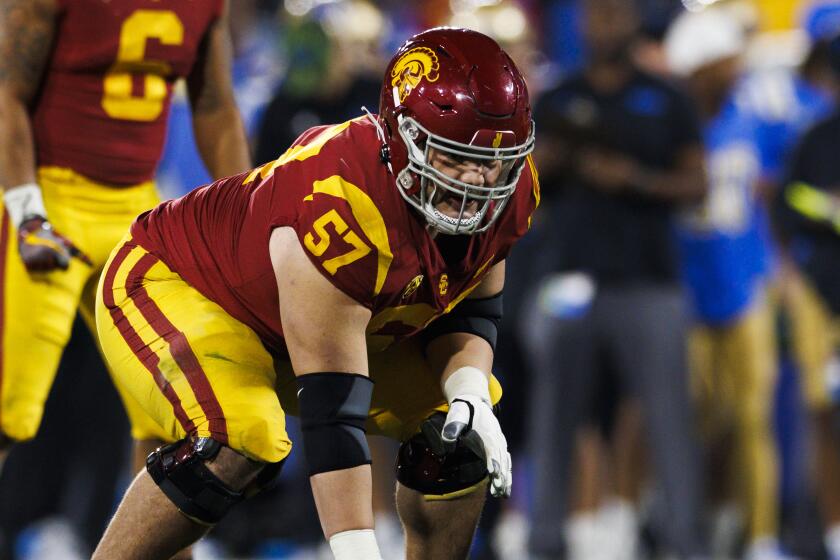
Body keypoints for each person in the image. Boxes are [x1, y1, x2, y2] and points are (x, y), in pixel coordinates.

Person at [91, 27, 538, 560]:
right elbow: (333, 410)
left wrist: (466, 384)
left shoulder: (511, 188)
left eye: (491, 160)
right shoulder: (339, 204)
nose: (477, 182)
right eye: (450, 157)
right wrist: (356, 548)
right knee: (239, 437)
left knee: (460, 427)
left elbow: (471, 309)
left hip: (310, 324)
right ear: (402, 136)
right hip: (183, 284)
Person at [0, 0, 250, 474]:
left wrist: (245, 221)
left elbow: (215, 105)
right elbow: (5, 92)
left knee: (178, 421)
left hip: (137, 211)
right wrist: (29, 214)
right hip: (42, 196)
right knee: (5, 414)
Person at [520, 0, 708, 557]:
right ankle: (544, 539)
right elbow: (519, 193)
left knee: (669, 418)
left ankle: (684, 542)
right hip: (567, 281)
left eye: (614, 15)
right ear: (581, 24)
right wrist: (549, 162)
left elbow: (698, 185)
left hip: (648, 282)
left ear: (631, 21)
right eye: (595, 15)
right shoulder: (557, 99)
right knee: (552, 414)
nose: (604, 25)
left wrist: (634, 179)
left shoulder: (668, 97)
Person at [665, 9, 784, 559]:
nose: (735, 72)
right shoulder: (671, 125)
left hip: (745, 284)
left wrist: (774, 262)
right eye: (725, 63)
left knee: (754, 420)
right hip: (686, 291)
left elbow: (771, 190)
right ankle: (706, 522)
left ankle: (761, 537)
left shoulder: (752, 115)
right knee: (697, 423)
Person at [775, 33, 840, 558]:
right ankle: (832, 533)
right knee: (822, 416)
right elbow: (789, 203)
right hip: (823, 293)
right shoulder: (816, 138)